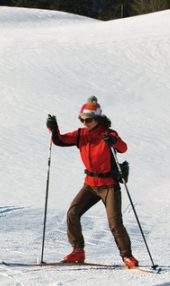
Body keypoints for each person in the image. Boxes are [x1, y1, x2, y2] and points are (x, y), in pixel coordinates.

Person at [46, 96, 139, 268]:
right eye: (82, 119)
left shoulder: (108, 134)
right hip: (90, 185)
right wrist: (53, 128)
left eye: (88, 120)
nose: (84, 123)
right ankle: (78, 251)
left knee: (114, 223)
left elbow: (123, 148)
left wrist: (114, 141)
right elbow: (59, 140)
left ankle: (127, 256)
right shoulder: (81, 134)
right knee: (73, 213)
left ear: (98, 119)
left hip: (109, 185)